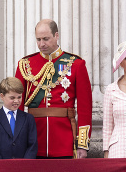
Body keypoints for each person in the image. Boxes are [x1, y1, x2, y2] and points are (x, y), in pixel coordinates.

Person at [15, 19, 92, 158]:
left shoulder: (76, 64)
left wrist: (82, 144)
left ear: (56, 35)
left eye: (46, 39)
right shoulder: (25, 65)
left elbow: (84, 107)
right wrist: (19, 139)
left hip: (65, 139)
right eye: (38, 39)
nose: (41, 44)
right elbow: (17, 105)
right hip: (33, 139)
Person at [0, 77, 37, 159]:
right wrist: (0, 164)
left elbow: (32, 144)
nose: (16, 101)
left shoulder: (28, 118)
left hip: (23, 166)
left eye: (19, 97)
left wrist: (26, 163)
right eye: (12, 98)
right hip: (0, 167)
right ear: (2, 96)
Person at [102, 41, 126, 158]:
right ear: (121, 63)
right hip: (118, 150)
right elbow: (107, 126)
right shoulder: (111, 90)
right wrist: (106, 153)